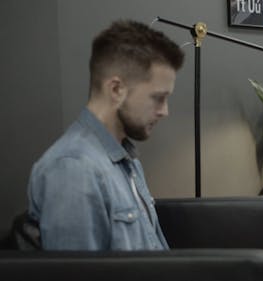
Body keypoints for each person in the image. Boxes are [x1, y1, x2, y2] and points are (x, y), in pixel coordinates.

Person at [27, 20, 184, 250]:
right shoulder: (74, 169)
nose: (164, 111)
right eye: (158, 98)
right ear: (116, 90)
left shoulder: (125, 160)